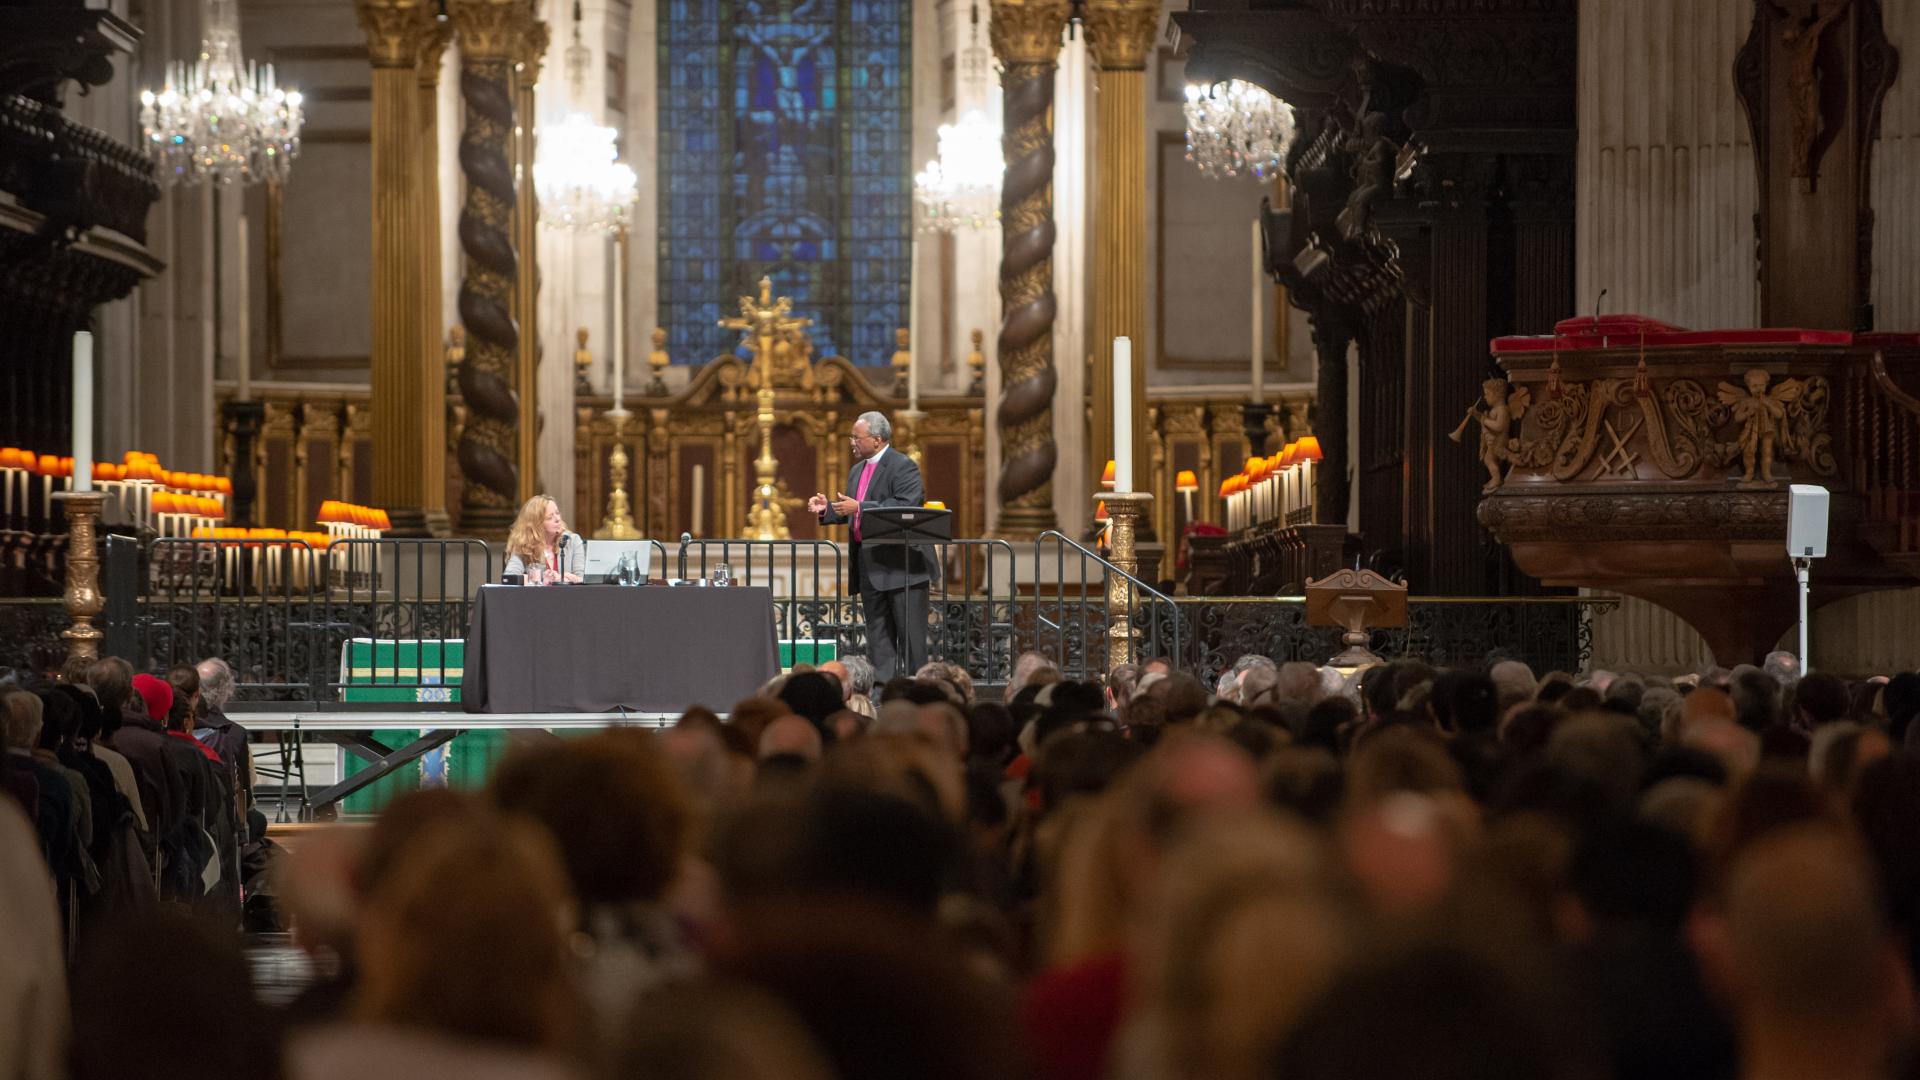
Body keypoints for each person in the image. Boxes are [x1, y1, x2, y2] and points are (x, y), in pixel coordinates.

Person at [809, 411, 931, 681]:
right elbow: (852, 512)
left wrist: (860, 507)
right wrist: (827, 509)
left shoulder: (902, 466)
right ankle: (879, 694)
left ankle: (917, 694)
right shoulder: (857, 470)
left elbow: (907, 506)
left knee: (911, 638)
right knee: (878, 636)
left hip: (902, 567)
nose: (852, 442)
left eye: (856, 437)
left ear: (877, 440)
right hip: (869, 565)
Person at [503, 494, 584, 585]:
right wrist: (542, 579)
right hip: (536, 598)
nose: (557, 519)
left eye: (557, 513)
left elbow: (582, 578)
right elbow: (509, 578)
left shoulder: (572, 541)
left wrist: (562, 578)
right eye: (550, 517)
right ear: (536, 525)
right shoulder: (524, 545)